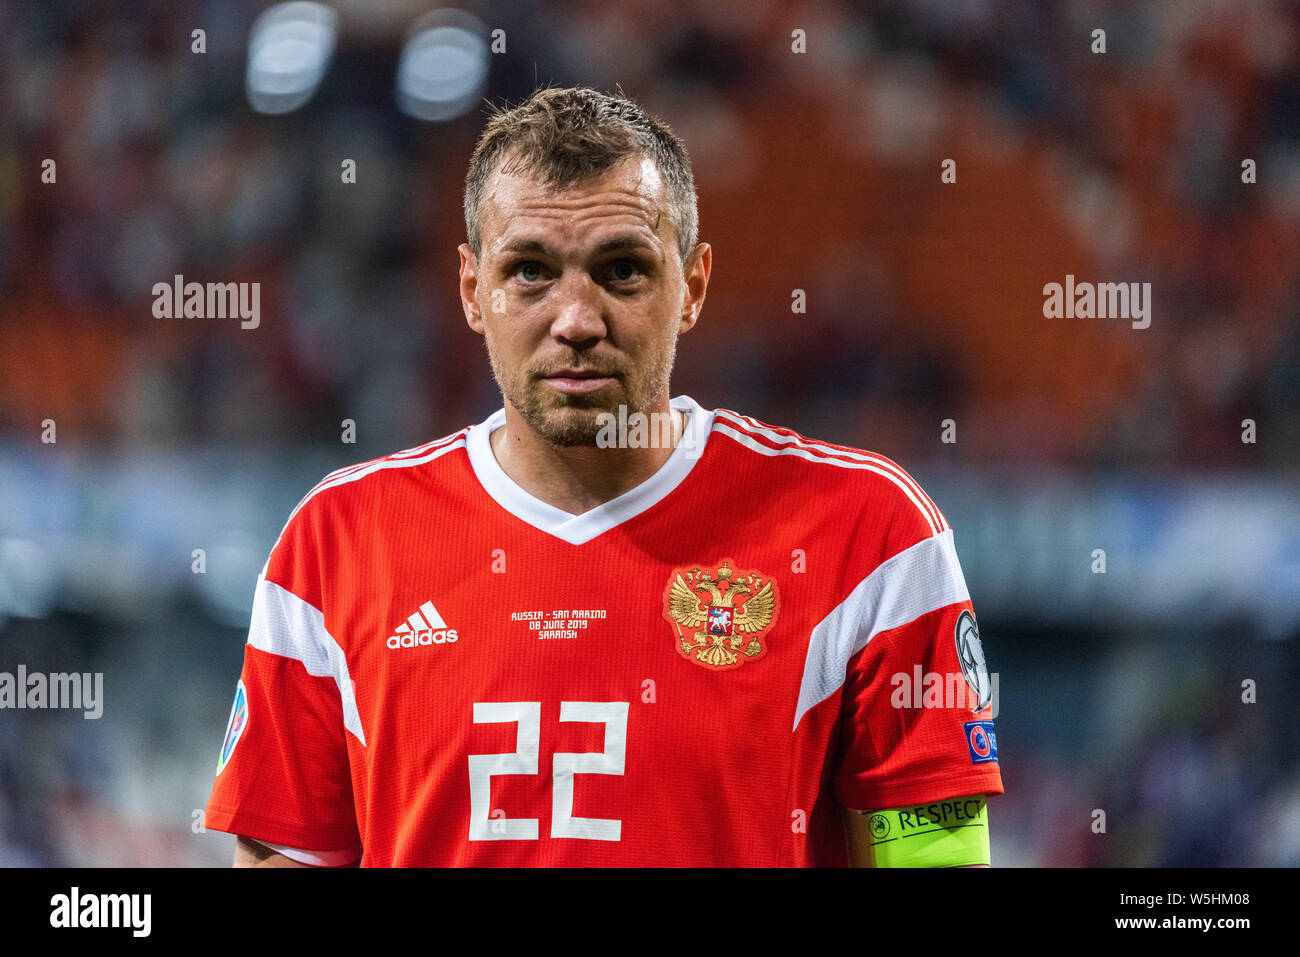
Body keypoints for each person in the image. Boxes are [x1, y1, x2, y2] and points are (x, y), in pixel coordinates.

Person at [204, 86, 1002, 867]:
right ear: (470, 288)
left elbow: (940, 859)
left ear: (691, 285)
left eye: (621, 270)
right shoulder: (336, 545)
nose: (577, 319)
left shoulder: (872, 536)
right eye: (529, 271)